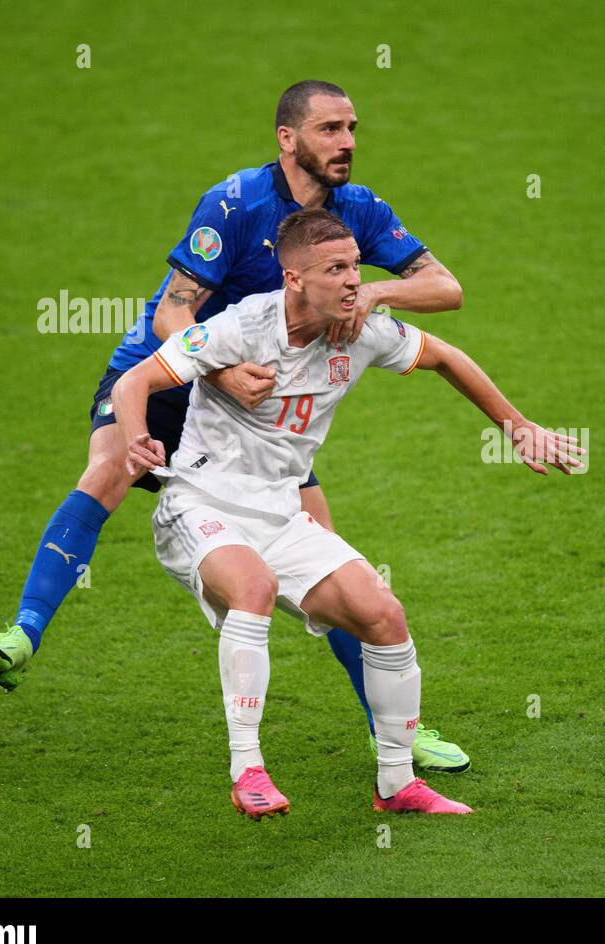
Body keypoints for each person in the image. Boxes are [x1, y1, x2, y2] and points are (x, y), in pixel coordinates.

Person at [0, 80, 470, 771]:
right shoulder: (234, 203)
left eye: (352, 128)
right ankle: (23, 631)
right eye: (330, 129)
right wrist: (219, 372)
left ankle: (393, 728)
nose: (348, 142)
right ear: (288, 139)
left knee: (323, 553)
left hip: (263, 403)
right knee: (112, 466)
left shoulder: (356, 213)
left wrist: (373, 287)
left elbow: (447, 287)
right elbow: (175, 312)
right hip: (178, 372)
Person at [110, 208, 580, 816]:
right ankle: (247, 770)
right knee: (254, 586)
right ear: (294, 279)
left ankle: (396, 783)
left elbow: (446, 357)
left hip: (280, 515)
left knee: (381, 613)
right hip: (199, 503)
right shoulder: (242, 325)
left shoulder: (360, 331)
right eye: (337, 269)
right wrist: (137, 440)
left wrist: (516, 427)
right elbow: (133, 384)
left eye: (357, 265)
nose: (355, 280)